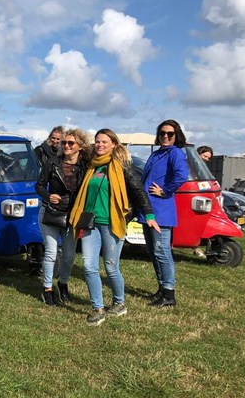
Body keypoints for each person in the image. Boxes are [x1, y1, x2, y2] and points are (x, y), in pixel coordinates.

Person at [69, 128, 159, 326]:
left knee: (111, 267)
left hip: (112, 223)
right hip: (90, 223)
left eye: (104, 142)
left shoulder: (122, 166)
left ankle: (119, 302)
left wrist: (149, 215)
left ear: (114, 145)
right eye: (98, 142)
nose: (100, 145)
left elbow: (138, 191)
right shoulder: (92, 166)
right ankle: (98, 308)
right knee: (89, 266)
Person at [35, 128, 91, 305]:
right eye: (64, 143)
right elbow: (39, 185)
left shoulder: (85, 166)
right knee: (51, 253)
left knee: (69, 256)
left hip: (72, 215)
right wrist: (47, 196)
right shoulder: (52, 163)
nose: (66, 146)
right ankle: (47, 289)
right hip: (50, 212)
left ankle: (63, 283)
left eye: (71, 143)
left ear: (80, 146)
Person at [141, 120, 189, 307]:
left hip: (161, 210)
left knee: (162, 251)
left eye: (170, 133)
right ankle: (162, 287)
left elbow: (181, 176)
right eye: (162, 133)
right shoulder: (157, 154)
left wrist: (165, 191)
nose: (165, 136)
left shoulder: (175, 153)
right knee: (153, 251)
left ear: (177, 135)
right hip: (148, 209)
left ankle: (169, 293)